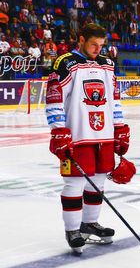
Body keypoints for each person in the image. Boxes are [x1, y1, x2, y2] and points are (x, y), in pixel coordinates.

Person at [46, 23, 132, 253]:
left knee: (100, 181)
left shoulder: (107, 65)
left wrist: (120, 127)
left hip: (103, 135)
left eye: (101, 45)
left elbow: (114, 98)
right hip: (78, 135)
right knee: (74, 182)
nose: (97, 49)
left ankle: (89, 223)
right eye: (93, 44)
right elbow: (54, 98)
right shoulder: (66, 63)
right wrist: (58, 129)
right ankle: (72, 229)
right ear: (81, 39)